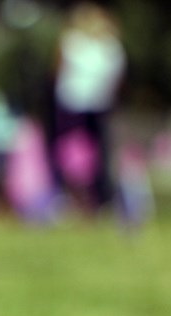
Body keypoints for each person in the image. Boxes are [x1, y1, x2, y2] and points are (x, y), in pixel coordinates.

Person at [48, 2, 125, 213]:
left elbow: (115, 78)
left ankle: (97, 197)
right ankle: (66, 194)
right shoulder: (72, 42)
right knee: (68, 150)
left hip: (98, 104)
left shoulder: (110, 46)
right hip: (71, 103)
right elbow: (58, 70)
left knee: (98, 153)